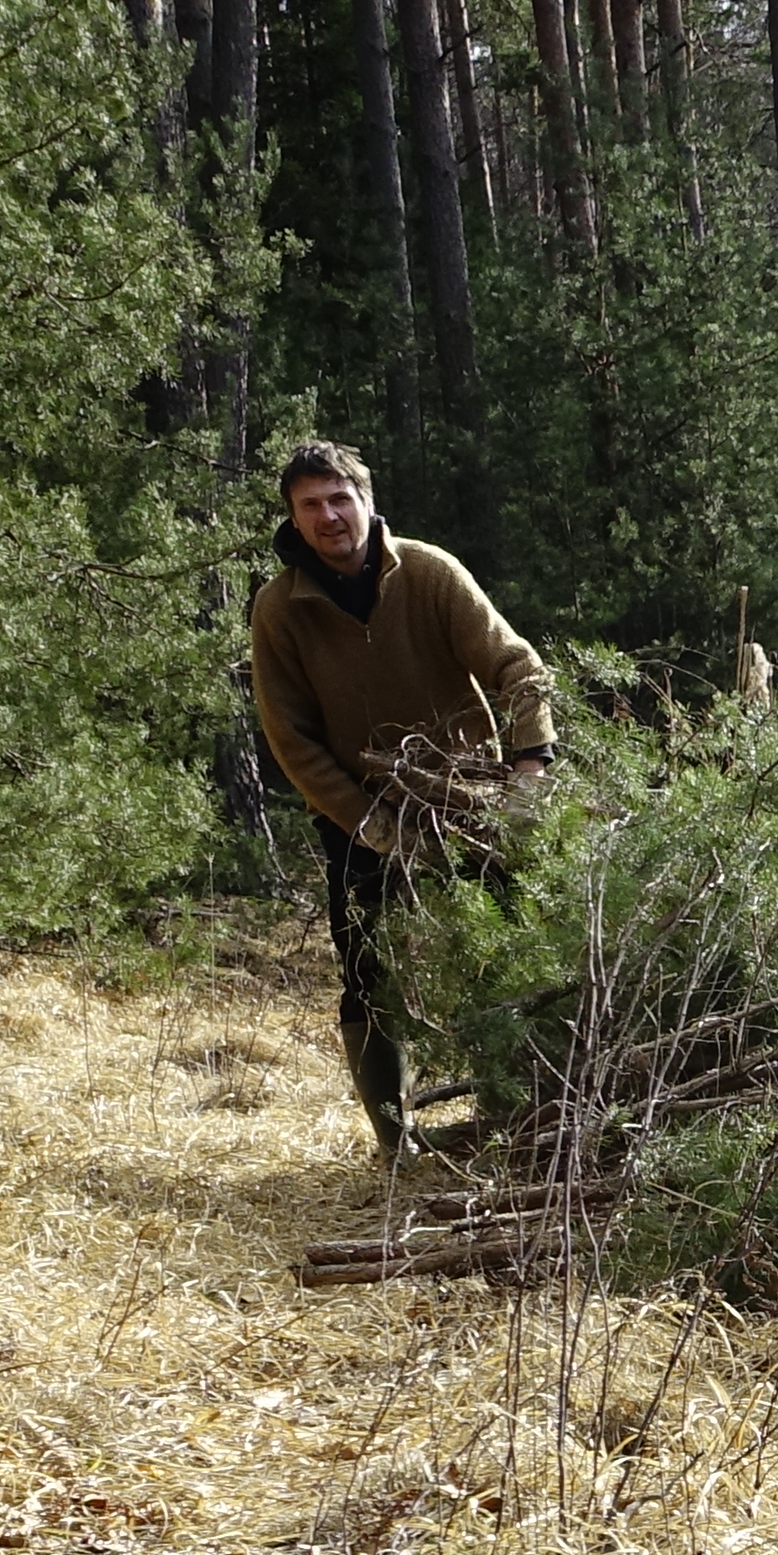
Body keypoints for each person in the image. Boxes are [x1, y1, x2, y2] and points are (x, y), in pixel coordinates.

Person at [242, 441, 552, 1159]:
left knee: (503, 963)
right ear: (293, 517)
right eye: (310, 505)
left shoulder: (431, 572)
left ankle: (518, 1126)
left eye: (339, 498)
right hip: (360, 818)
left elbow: (518, 666)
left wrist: (529, 772)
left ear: (367, 501)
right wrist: (372, 825)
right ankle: (395, 1145)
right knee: (367, 975)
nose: (328, 516)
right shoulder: (279, 609)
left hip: (471, 800)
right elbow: (291, 740)